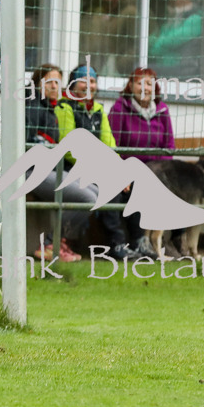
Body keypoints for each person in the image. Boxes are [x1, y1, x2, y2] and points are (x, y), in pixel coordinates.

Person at [56, 65, 141, 260]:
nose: (89, 85)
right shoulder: (65, 108)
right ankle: (116, 243)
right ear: (73, 84)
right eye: (83, 81)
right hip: (71, 168)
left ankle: (138, 242)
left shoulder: (98, 110)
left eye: (92, 81)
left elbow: (109, 144)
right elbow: (69, 149)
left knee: (133, 182)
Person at [108, 66, 174, 258]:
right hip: (128, 168)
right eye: (139, 83)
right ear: (130, 86)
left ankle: (178, 242)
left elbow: (169, 145)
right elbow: (114, 144)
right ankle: (140, 242)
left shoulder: (162, 110)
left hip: (156, 169)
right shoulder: (120, 109)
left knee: (181, 187)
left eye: (148, 83)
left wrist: (160, 170)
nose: (144, 88)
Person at [24, 63, 85, 263]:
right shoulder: (32, 106)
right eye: (48, 81)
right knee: (86, 198)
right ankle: (51, 245)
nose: (53, 86)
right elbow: (27, 144)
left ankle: (58, 242)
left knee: (94, 191)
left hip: (50, 170)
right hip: (29, 173)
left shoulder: (51, 109)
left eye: (57, 82)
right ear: (37, 84)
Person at [78, 0, 138, 76]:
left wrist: (121, 63)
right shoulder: (96, 13)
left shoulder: (130, 13)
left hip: (120, 72)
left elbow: (140, 44)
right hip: (93, 69)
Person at [148, 0, 204, 79]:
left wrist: (156, 45)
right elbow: (154, 38)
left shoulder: (196, 19)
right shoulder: (173, 18)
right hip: (167, 67)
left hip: (184, 69)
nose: (177, 0)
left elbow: (169, 41)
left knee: (139, 69)